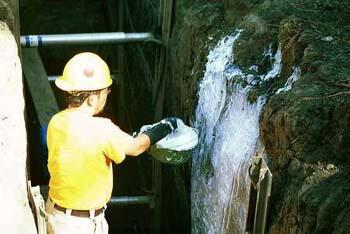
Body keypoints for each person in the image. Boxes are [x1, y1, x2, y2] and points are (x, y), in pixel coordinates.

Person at [45, 52, 177, 234]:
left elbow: (86, 141)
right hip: (81, 226)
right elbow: (136, 147)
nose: (106, 95)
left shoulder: (56, 121)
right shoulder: (102, 128)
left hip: (56, 216)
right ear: (92, 99)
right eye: (105, 92)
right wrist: (166, 126)